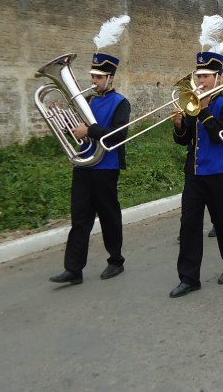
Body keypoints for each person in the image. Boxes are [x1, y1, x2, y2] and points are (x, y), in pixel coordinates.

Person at [168, 32, 223, 298]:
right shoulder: (192, 104)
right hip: (195, 173)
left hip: (219, 173)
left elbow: (221, 135)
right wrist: (179, 125)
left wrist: (205, 109)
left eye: (206, 76)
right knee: (188, 225)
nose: (200, 81)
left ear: (218, 78)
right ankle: (189, 278)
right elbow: (184, 140)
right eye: (198, 76)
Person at [49, 53, 131, 285]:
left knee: (108, 215)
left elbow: (118, 136)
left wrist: (90, 130)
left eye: (99, 77)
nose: (94, 81)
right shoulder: (87, 100)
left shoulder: (121, 103)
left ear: (110, 78)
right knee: (80, 218)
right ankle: (73, 269)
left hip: (106, 167)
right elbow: (78, 132)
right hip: (84, 165)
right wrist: (63, 122)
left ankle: (116, 261)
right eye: (93, 76)